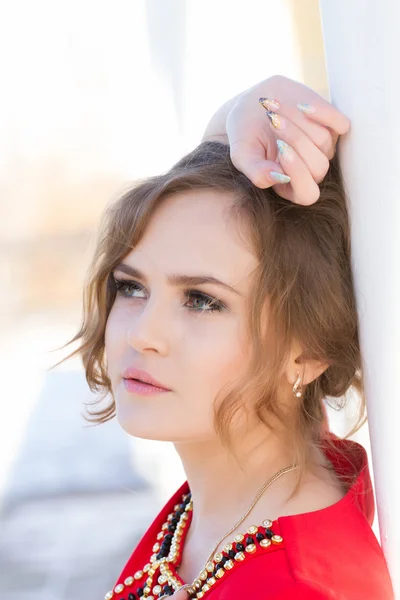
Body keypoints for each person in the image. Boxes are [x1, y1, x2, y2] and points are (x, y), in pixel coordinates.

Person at [58, 75, 394, 599]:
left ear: (307, 350)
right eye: (131, 287)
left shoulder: (298, 586)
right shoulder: (250, 497)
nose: (143, 335)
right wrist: (240, 114)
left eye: (202, 300)